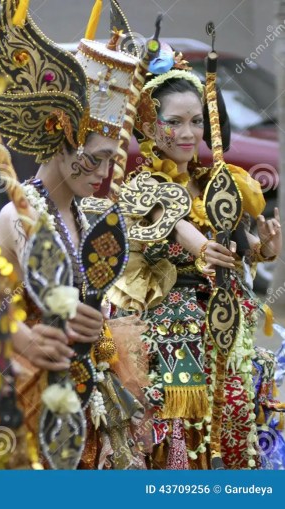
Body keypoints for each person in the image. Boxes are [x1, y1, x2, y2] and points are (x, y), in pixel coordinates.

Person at [0, 0, 146, 468]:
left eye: (111, 159)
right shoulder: (17, 216)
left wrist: (99, 331)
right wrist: (35, 333)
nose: (104, 171)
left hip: (87, 398)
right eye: (94, 157)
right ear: (60, 139)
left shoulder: (89, 214)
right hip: (33, 396)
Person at [109, 49, 283, 469]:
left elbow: (240, 248)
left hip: (226, 324)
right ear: (150, 126)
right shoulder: (143, 186)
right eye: (175, 122)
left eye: (197, 121)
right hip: (171, 327)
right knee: (181, 432)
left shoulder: (218, 184)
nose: (188, 133)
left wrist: (264, 248)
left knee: (234, 421)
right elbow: (175, 224)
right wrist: (204, 249)